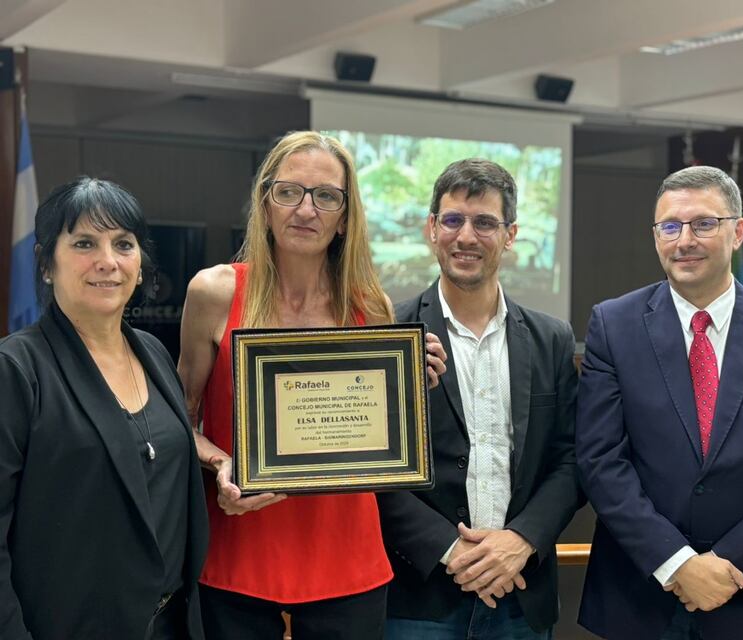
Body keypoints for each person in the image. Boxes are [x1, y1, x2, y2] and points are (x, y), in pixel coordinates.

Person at [177, 131, 445, 640]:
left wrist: (411, 388)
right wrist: (221, 463)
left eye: (326, 196)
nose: (306, 209)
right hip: (240, 546)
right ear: (265, 203)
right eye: (289, 191)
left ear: (345, 215)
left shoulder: (373, 307)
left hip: (347, 554)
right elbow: (180, 423)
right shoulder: (214, 291)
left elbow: (378, 433)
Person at [575, 165, 743, 640]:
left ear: (737, 231)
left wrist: (729, 564)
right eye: (670, 227)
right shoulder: (613, 325)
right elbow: (600, 462)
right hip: (639, 597)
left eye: (703, 224)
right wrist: (677, 563)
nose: (684, 241)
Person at [380, 158, 582, 639]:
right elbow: (372, 467)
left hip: (522, 592)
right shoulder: (390, 334)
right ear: (432, 229)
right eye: (453, 220)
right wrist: (451, 550)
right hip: (417, 597)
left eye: (485, 223)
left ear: (510, 235)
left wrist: (522, 540)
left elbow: (573, 458)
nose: (466, 237)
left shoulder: (552, 338)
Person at [0, 177, 209, 640]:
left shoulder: (153, 353)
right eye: (84, 243)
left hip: (173, 623)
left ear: (139, 263)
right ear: (46, 264)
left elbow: (151, 461)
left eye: (123, 244)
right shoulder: (15, 370)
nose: (107, 262)